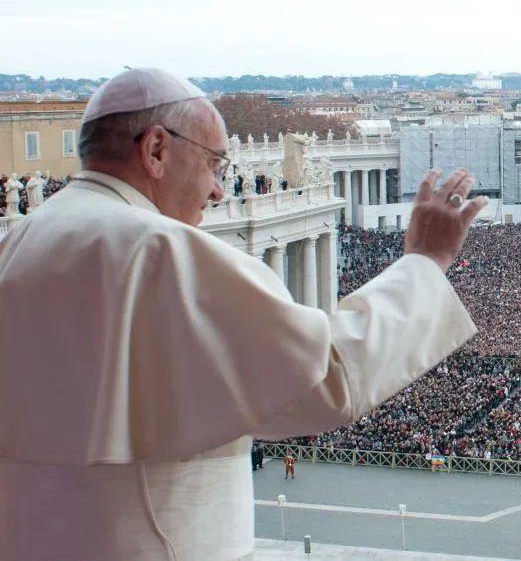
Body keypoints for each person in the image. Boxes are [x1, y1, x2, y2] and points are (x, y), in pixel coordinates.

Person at [0, 68, 489, 560]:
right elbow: (326, 379)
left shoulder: (17, 243)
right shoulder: (161, 251)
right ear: (155, 151)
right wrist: (425, 262)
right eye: (214, 163)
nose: (218, 191)